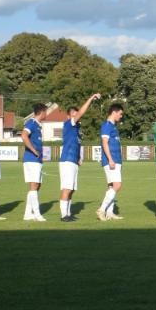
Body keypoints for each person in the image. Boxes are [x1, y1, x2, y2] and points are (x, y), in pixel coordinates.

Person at [58, 93, 102, 222]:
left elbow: (76, 144)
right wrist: (91, 98)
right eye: (73, 114)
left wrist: (78, 157)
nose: (76, 116)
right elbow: (82, 112)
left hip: (73, 160)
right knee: (67, 188)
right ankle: (63, 215)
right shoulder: (69, 124)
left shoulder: (77, 129)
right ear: (68, 116)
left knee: (71, 189)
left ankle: (68, 213)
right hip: (67, 160)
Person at [97, 103, 125, 221]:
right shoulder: (107, 125)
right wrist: (110, 159)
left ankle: (110, 213)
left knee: (111, 186)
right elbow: (104, 143)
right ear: (114, 112)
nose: (121, 116)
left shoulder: (113, 126)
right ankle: (101, 210)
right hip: (111, 160)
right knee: (117, 185)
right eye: (120, 113)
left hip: (116, 160)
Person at [21, 103, 48, 222]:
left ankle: (28, 214)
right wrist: (33, 150)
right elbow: (24, 136)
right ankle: (37, 214)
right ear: (41, 112)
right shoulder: (31, 122)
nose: (46, 114)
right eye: (46, 111)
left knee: (37, 186)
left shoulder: (38, 125)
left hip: (37, 160)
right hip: (31, 159)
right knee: (34, 185)